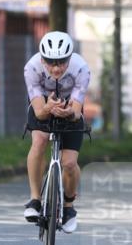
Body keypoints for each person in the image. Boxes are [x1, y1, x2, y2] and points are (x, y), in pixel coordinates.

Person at [22, 30, 91, 233]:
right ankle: (35, 200)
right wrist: (47, 108)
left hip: (70, 107)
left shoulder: (81, 70)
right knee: (40, 141)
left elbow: (77, 112)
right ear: (42, 59)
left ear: (69, 58)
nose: (56, 68)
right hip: (43, 105)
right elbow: (39, 113)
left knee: (69, 163)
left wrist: (69, 112)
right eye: (50, 62)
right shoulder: (31, 68)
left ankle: (69, 207)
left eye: (61, 62)